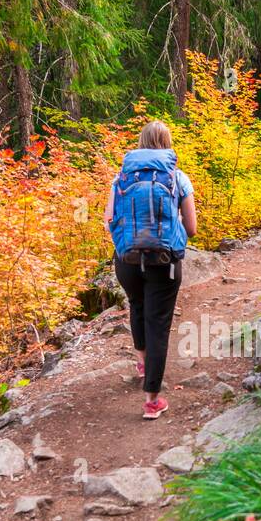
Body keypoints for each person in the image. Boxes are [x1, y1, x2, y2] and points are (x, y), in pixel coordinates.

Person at [103, 121, 198, 419]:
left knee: (137, 305)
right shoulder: (178, 178)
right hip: (164, 263)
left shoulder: (121, 178)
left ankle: (143, 363)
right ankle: (152, 401)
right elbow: (192, 228)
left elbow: (108, 221)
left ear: (141, 143)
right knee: (158, 324)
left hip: (127, 261)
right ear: (167, 144)